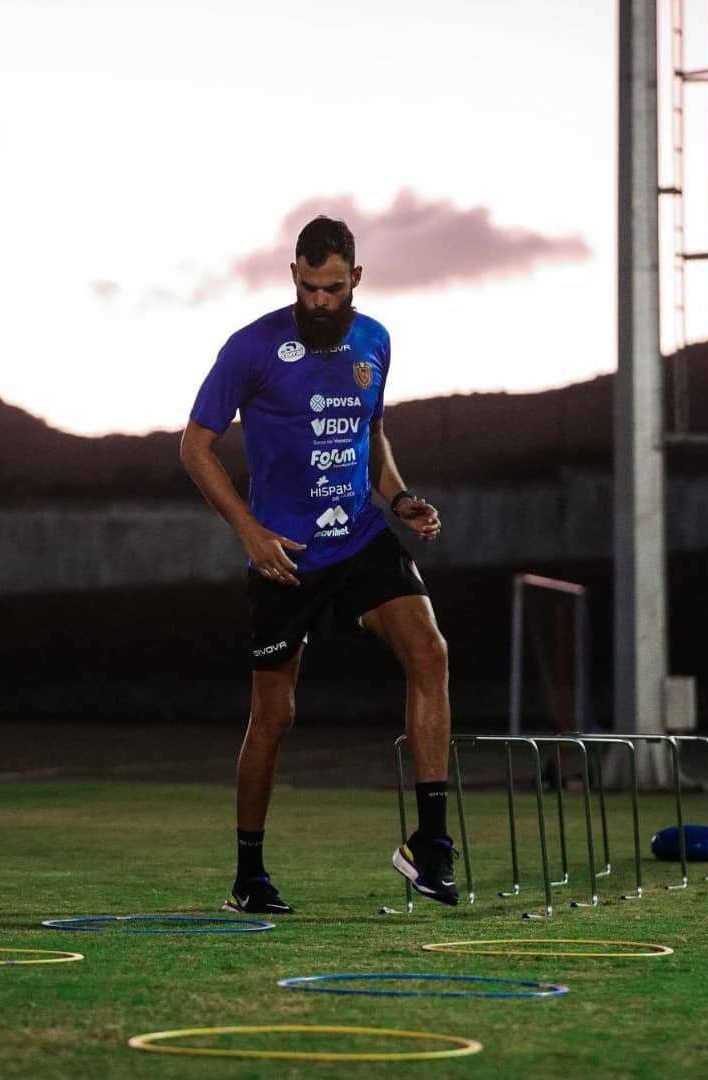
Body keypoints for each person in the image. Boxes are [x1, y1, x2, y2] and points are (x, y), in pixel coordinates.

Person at [180, 215, 458, 913]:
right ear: (294, 278)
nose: (319, 302)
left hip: (360, 535)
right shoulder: (252, 347)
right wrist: (249, 531)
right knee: (273, 717)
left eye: (332, 288)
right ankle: (249, 876)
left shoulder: (375, 341)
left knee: (429, 653)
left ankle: (430, 845)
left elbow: (371, 432)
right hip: (286, 556)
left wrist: (399, 498)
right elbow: (193, 447)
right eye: (308, 288)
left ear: (355, 279)